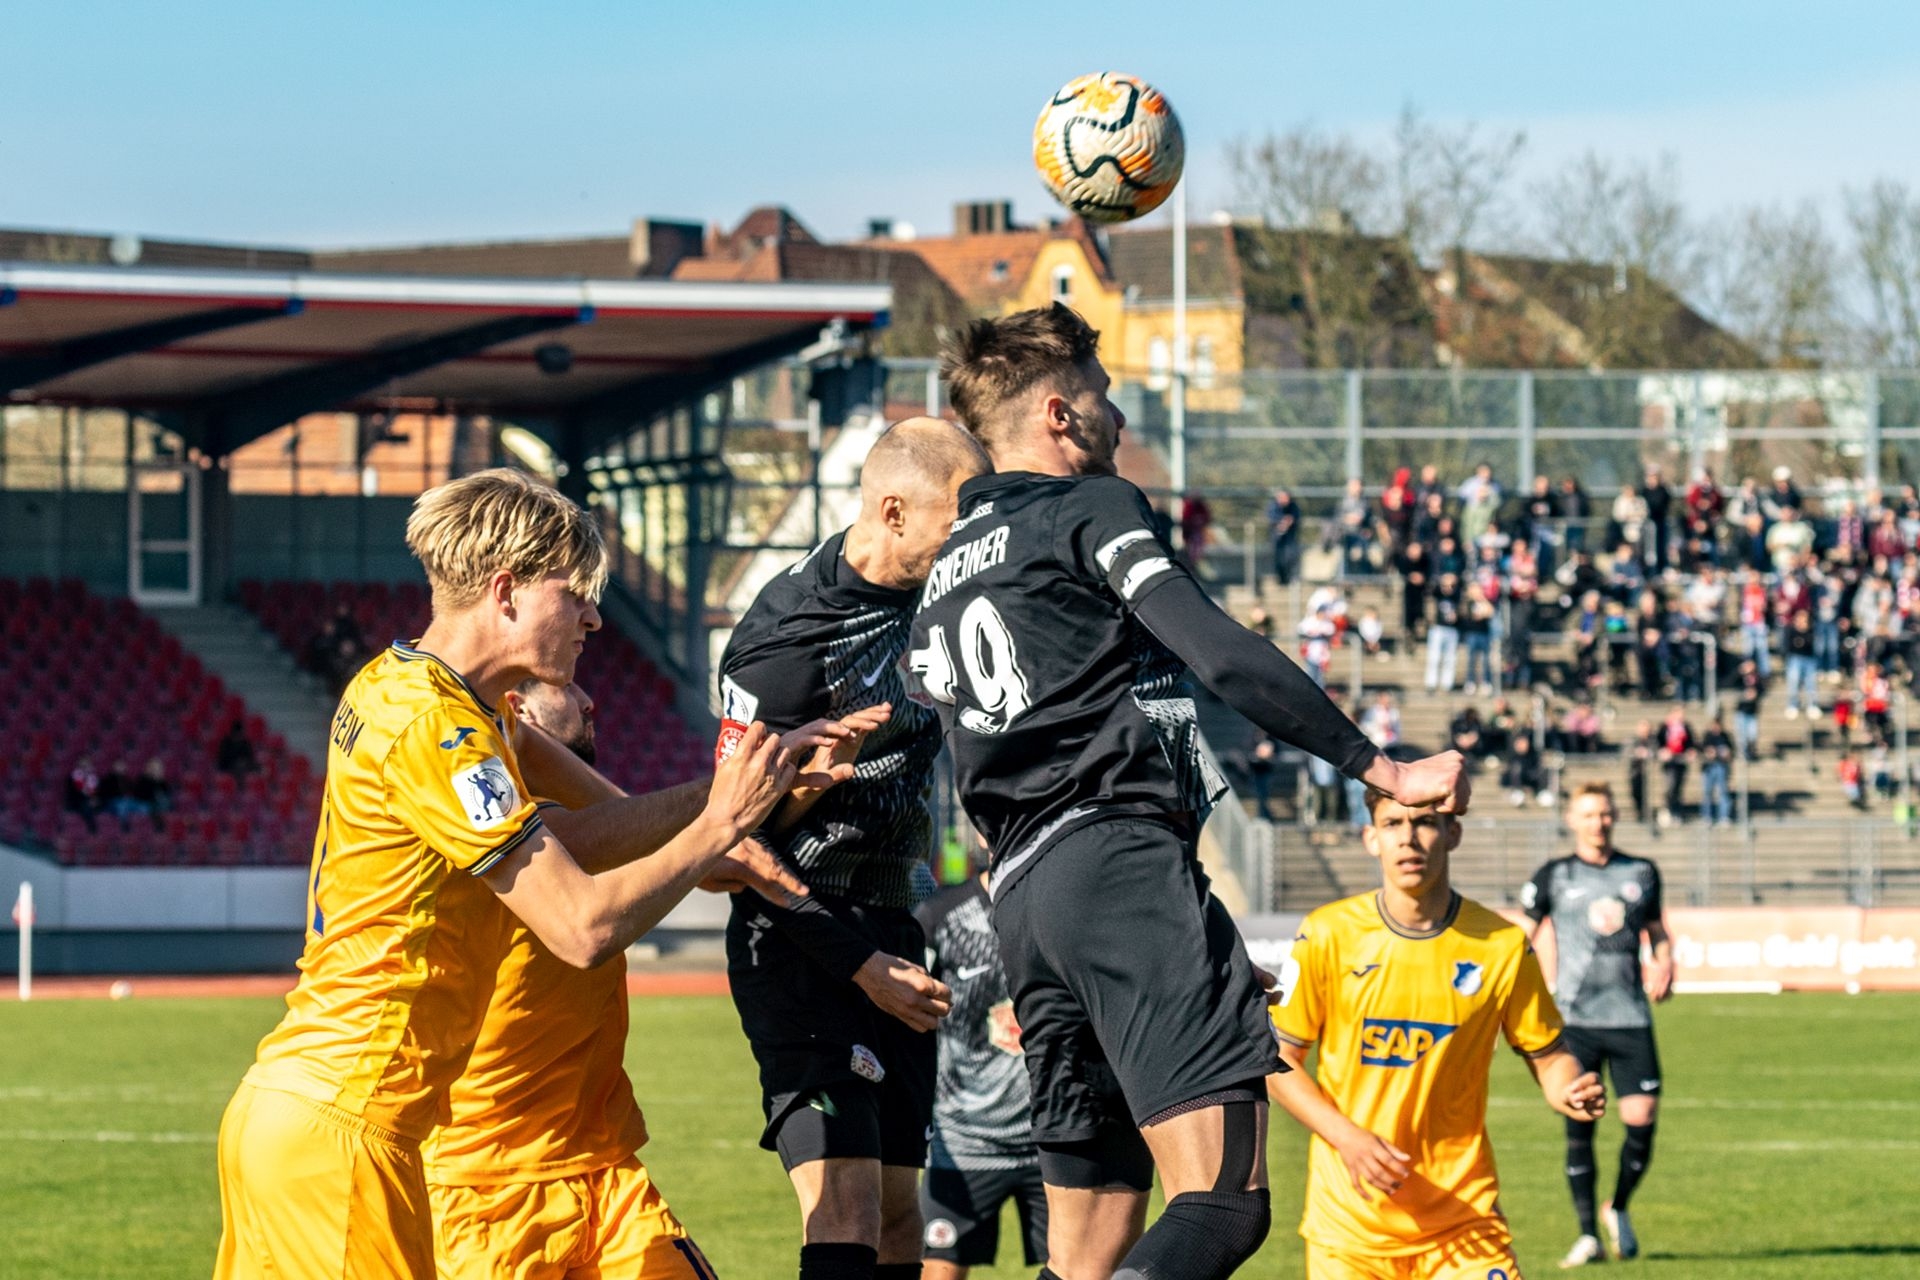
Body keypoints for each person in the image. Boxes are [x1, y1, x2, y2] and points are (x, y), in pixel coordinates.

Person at [916, 304, 1470, 1280]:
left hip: (1029, 905)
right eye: (1103, 395)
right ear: (1057, 413)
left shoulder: (948, 570)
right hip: (1116, 864)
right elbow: (1217, 651)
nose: (1120, 416)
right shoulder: (1090, 506)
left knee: (1090, 1239)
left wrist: (1165, 946)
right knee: (1222, 1201)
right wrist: (1382, 767)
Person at [214, 468, 811, 1280]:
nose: (593, 616)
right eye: (575, 594)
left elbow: (584, 831)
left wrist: (731, 796)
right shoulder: (438, 728)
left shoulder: (422, 691)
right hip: (346, 1132)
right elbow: (582, 926)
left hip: (312, 1116)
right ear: (506, 593)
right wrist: (718, 824)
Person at [426, 677, 816, 1280]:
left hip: (604, 1165)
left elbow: (688, 850)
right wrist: (720, 810)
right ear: (519, 711)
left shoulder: (579, 803)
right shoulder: (499, 818)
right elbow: (592, 857)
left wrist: (784, 786)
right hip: (486, 1181)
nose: (590, 699)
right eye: (565, 686)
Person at [720, 418, 989, 1280]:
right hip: (802, 942)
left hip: (896, 930)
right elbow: (727, 846)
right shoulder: (788, 638)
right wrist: (861, 965)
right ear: (894, 511)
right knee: (848, 1206)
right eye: (959, 521)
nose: (972, 543)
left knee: (904, 1222)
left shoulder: (944, 602)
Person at [1269, 777, 1605, 1280]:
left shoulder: (1502, 945)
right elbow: (1278, 1060)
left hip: (1463, 1221)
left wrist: (1569, 1089)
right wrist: (1348, 1140)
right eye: (1392, 824)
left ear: (1453, 834)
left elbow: (1550, 1056)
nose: (1408, 838)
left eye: (1425, 822)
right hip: (1351, 1230)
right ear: (1371, 838)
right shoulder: (1327, 934)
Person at [1524, 782, 1675, 1267]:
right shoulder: (1554, 875)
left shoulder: (1641, 872)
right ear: (1572, 820)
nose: (1598, 822)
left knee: (1642, 1120)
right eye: (1589, 814)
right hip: (1575, 1021)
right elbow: (1523, 936)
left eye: (1605, 813)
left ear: (1615, 818)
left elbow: (1657, 930)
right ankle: (1588, 1234)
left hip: (1630, 1016)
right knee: (1579, 1126)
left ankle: (1619, 1207)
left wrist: (1665, 961)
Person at [915, 858, 1049, 1280]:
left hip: (1057, 1140)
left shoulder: (1065, 908)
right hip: (963, 1142)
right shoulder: (941, 915)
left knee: (1084, 1267)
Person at [1268, 488, 1302, 587]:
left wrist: (1290, 521)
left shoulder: (1293, 506)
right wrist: (1281, 523)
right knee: (1279, 560)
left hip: (1290, 539)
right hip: (1277, 539)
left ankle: (1290, 578)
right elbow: (1272, 518)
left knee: (1290, 557)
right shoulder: (1273, 506)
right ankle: (1281, 580)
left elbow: (1296, 516)